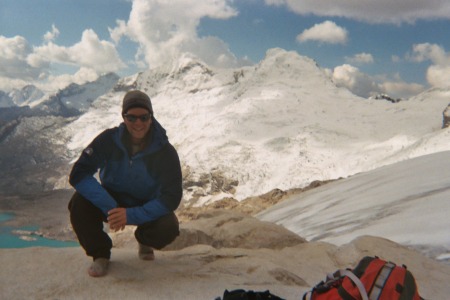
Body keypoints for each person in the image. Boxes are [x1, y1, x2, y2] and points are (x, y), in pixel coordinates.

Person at [68, 90, 182, 277]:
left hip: (146, 203)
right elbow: (79, 174)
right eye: (132, 117)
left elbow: (172, 197)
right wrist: (112, 209)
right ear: (124, 117)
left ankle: (145, 239)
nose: (138, 123)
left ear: (151, 118)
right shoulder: (108, 140)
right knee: (79, 203)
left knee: (168, 227)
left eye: (144, 117)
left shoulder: (165, 151)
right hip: (112, 199)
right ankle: (100, 254)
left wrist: (131, 215)